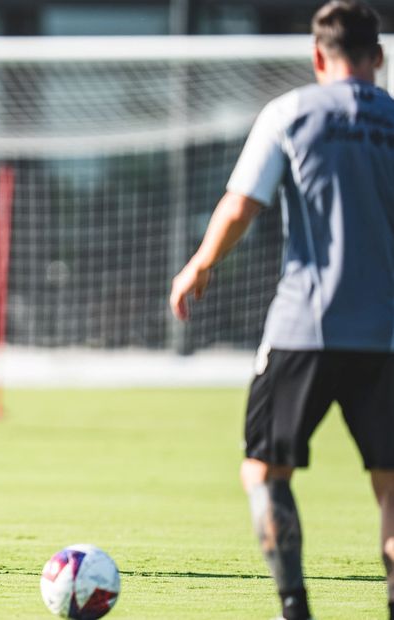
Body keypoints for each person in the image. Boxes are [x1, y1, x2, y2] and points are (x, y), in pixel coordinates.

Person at [169, 2, 394, 619]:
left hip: (306, 329)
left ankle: (294, 607)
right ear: (377, 57)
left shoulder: (291, 113)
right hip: (387, 336)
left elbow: (242, 205)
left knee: (265, 472)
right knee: (391, 487)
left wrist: (201, 265)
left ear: (319, 56)